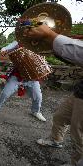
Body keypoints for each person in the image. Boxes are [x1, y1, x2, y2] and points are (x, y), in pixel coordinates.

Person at [24, 24, 83, 166]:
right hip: (80, 91)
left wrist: (50, 35)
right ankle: (56, 140)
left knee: (79, 132)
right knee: (60, 116)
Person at [0, 40, 46, 122]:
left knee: (38, 96)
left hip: (32, 77)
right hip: (17, 75)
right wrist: (3, 50)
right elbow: (5, 48)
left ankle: (35, 111)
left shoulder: (40, 44)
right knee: (5, 93)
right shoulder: (18, 42)